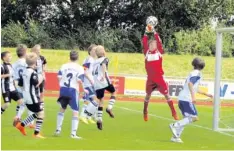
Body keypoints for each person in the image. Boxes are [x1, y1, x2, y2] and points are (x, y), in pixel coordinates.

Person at [142, 16, 178, 121]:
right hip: (150, 79)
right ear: (149, 46)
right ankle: (145, 112)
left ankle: (174, 112)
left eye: (154, 44)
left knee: (167, 95)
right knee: (147, 96)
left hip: (159, 78)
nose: (153, 45)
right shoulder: (146, 53)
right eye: (151, 44)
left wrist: (154, 32)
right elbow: (144, 41)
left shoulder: (159, 52)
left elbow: (158, 40)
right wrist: (146, 31)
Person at [169, 57, 213, 143]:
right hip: (186, 99)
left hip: (182, 98)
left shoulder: (192, 73)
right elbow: (190, 84)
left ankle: (176, 137)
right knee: (194, 117)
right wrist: (193, 97)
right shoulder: (197, 74)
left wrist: (206, 94)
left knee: (186, 119)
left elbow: (194, 87)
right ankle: (175, 125)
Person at [54, 51, 85, 139]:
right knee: (75, 111)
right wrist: (83, 90)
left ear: (69, 57)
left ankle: (58, 129)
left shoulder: (64, 66)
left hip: (63, 88)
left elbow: (58, 77)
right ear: (78, 58)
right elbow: (80, 80)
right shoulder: (79, 68)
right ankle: (73, 134)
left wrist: (61, 85)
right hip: (73, 90)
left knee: (62, 108)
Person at [15, 52, 45, 138]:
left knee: (36, 113)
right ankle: (36, 134)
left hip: (26, 97)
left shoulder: (24, 72)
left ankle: (22, 125)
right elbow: (36, 84)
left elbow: (20, 84)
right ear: (35, 63)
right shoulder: (33, 73)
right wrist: (41, 78)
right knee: (41, 113)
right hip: (33, 97)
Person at [92, 45, 116, 130]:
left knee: (101, 100)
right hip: (104, 80)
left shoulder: (94, 61)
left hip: (96, 83)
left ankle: (99, 119)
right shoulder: (105, 59)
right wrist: (103, 74)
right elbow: (103, 65)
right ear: (103, 52)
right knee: (113, 92)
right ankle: (109, 108)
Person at [13, 44, 35, 128]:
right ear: (25, 52)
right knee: (31, 103)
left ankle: (18, 117)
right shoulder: (27, 63)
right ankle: (30, 123)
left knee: (22, 103)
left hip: (18, 85)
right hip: (26, 86)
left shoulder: (14, 64)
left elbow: (13, 75)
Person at [1, 51, 24, 118]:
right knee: (7, 104)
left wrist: (15, 83)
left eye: (11, 56)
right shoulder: (2, 66)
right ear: (4, 58)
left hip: (13, 88)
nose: (11, 57)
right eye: (9, 56)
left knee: (21, 102)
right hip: (5, 88)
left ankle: (17, 117)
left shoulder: (11, 66)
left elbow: (13, 76)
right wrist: (8, 75)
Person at [79, 44, 98, 124]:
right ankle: (83, 115)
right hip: (88, 83)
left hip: (90, 83)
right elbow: (85, 71)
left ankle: (89, 116)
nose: (95, 51)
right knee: (94, 100)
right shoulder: (89, 59)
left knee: (90, 101)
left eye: (96, 50)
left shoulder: (92, 60)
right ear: (90, 51)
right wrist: (91, 80)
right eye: (94, 50)